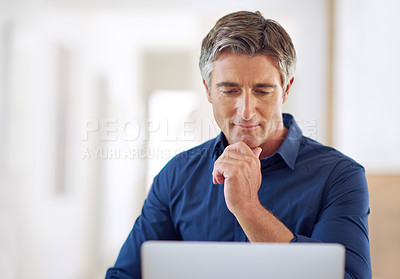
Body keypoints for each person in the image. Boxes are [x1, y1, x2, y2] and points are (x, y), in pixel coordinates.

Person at [105, 11, 371, 279]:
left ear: (286, 89)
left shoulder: (339, 176)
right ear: (207, 90)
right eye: (229, 90)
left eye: (263, 91)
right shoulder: (176, 176)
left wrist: (248, 209)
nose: (245, 111)